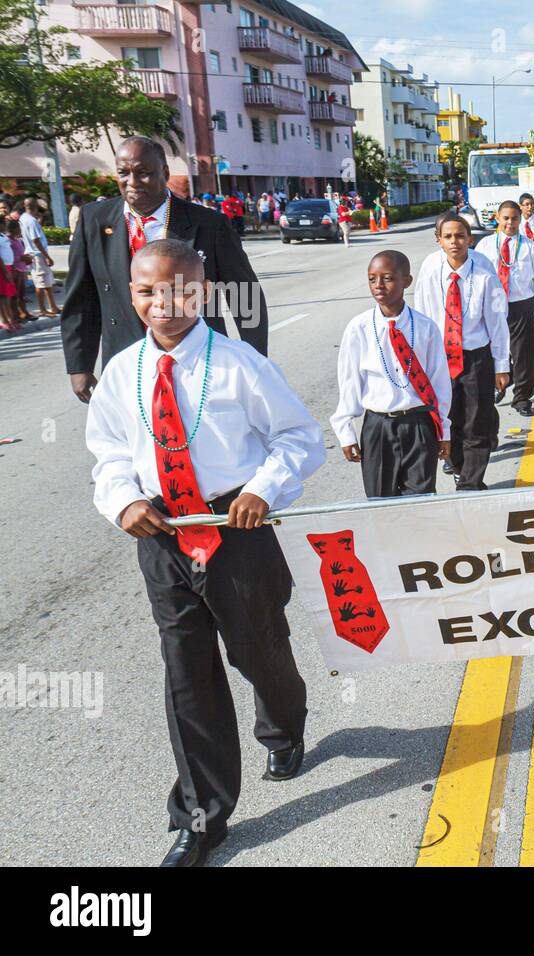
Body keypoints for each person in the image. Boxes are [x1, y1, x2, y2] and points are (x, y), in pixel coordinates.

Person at [84, 238, 325, 865]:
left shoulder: (239, 364)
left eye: (176, 288)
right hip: (162, 534)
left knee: (259, 650)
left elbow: (299, 437)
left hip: (235, 529)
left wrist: (262, 490)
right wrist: (122, 501)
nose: (161, 302)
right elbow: (108, 453)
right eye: (146, 290)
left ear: (202, 292)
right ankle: (201, 817)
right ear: (131, 294)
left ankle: (282, 720)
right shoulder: (122, 372)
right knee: (186, 673)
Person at [62, 137, 270, 404]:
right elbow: (81, 297)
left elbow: (244, 295)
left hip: (200, 358)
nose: (133, 182)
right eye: (124, 173)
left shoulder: (209, 224)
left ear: (165, 173)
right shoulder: (94, 219)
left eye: (144, 173)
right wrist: (79, 363)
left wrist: (255, 361)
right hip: (126, 358)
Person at [331, 251, 453, 497]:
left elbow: (439, 382)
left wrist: (444, 431)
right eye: (372, 279)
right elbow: (349, 383)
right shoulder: (359, 328)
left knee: (421, 499)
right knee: (380, 501)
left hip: (419, 424)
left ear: (406, 281)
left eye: (387, 278)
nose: (378, 286)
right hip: (379, 427)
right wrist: (345, 432)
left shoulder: (425, 327)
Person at [410, 212, 511, 491]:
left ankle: (471, 482)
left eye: (460, 236)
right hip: (440, 358)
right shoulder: (431, 270)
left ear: (469, 239)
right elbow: (421, 315)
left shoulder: (483, 275)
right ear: (439, 241)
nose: (455, 242)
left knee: (476, 420)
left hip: (475, 357)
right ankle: (458, 466)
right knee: (447, 418)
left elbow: (496, 322)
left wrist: (502, 365)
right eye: (448, 237)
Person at [475, 201, 534, 416]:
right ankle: (497, 383)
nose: (510, 223)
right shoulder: (485, 246)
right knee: (491, 349)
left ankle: (522, 397)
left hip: (522, 305)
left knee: (525, 354)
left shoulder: (529, 246)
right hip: (492, 305)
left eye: (515, 218)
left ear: (520, 220)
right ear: (497, 218)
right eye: (506, 218)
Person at [19, 198, 58, 319]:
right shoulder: (31, 221)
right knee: (41, 283)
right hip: (38, 255)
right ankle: (42, 309)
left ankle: (53, 306)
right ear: (35, 206)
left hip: (36, 254)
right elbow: (35, 240)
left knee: (47, 282)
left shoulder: (23, 218)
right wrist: (47, 256)